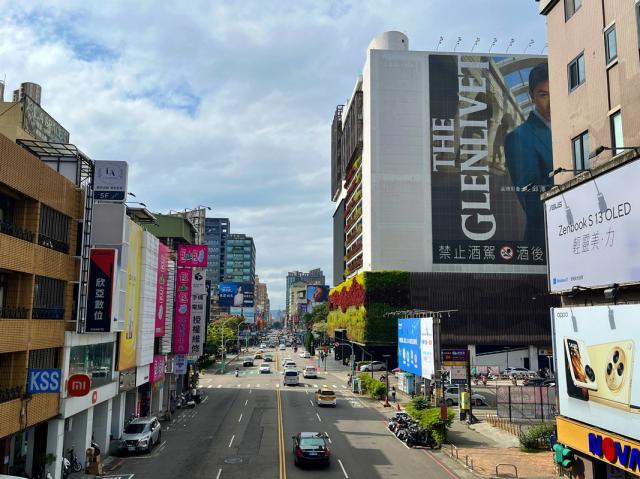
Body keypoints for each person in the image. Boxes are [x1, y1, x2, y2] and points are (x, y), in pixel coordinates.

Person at [504, 62, 553, 245]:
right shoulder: (519, 137)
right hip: (545, 242)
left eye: (556, 92)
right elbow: (532, 202)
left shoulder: (578, 124)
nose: (552, 103)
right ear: (532, 96)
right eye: (544, 94)